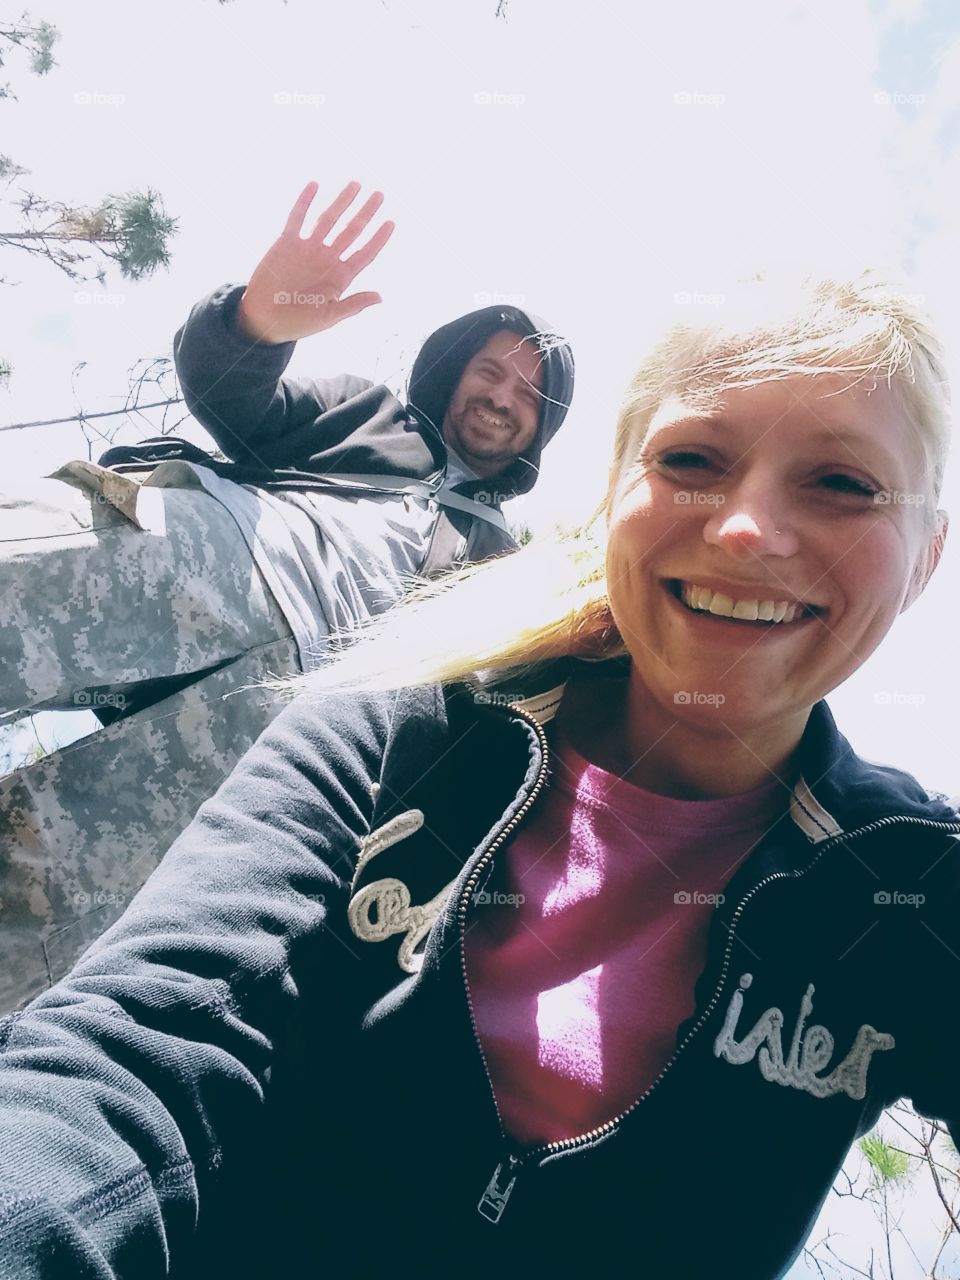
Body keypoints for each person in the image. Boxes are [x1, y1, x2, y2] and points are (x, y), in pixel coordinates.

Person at [0, 271, 955, 1280]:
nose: (748, 529)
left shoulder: (910, 887)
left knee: (51, 873)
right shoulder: (407, 706)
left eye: (844, 481)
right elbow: (146, 1042)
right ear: (615, 498)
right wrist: (250, 321)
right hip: (201, 585)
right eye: (691, 459)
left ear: (927, 559)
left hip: (219, 724)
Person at [0, 179, 574, 1013]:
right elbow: (233, 392)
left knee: (57, 900)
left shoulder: (511, 576)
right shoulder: (370, 417)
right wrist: (257, 322)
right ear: (453, 376)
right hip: (198, 555)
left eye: (529, 395)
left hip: (268, 733)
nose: (502, 397)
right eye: (491, 372)